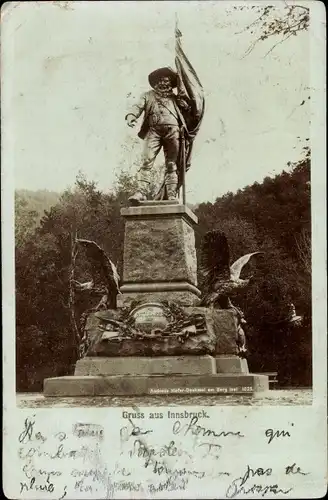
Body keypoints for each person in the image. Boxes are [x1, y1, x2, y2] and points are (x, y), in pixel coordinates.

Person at [125, 67, 190, 204]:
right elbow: (137, 106)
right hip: (153, 131)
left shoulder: (176, 99)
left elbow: (188, 110)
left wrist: (184, 101)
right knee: (146, 161)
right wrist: (131, 115)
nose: (164, 83)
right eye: (161, 80)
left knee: (172, 164)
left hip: (173, 132)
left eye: (167, 80)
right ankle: (141, 192)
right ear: (156, 82)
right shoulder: (148, 95)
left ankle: (171, 194)